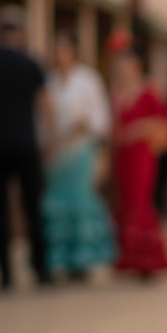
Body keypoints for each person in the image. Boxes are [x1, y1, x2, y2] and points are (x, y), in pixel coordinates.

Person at [0, 5, 50, 289]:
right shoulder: (30, 63)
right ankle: (41, 271)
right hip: (26, 145)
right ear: (20, 34)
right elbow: (45, 106)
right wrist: (49, 141)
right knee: (33, 208)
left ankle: (5, 275)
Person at [42, 31, 114, 279]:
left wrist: (84, 126)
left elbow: (100, 115)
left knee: (81, 200)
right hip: (56, 151)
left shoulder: (87, 80)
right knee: (58, 202)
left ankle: (83, 259)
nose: (59, 55)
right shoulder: (48, 81)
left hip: (82, 148)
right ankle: (60, 258)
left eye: (63, 49)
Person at [110, 40, 167, 277]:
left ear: (136, 64)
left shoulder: (149, 90)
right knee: (126, 202)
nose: (121, 67)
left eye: (125, 61)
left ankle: (148, 258)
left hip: (142, 154)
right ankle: (129, 258)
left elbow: (164, 123)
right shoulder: (118, 92)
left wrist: (138, 129)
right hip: (123, 155)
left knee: (140, 202)